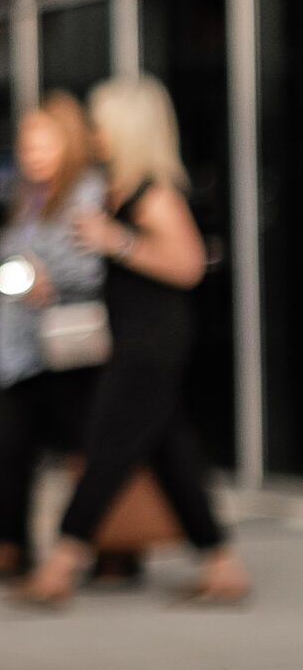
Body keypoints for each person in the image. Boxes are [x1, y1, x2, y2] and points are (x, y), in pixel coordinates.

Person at [18, 74, 250, 608]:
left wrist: (116, 241)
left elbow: (189, 266)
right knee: (171, 453)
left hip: (153, 341)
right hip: (128, 336)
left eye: (99, 123)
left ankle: (60, 565)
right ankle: (222, 564)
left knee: (106, 447)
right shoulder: (115, 188)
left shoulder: (154, 193)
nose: (92, 133)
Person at [0, 93, 107, 582]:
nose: (33, 151)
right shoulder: (27, 197)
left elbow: (93, 261)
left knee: (85, 451)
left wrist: (50, 277)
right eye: (26, 142)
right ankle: (9, 544)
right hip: (18, 349)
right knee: (1, 443)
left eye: (43, 140)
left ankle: (112, 545)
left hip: (69, 347)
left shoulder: (87, 192)